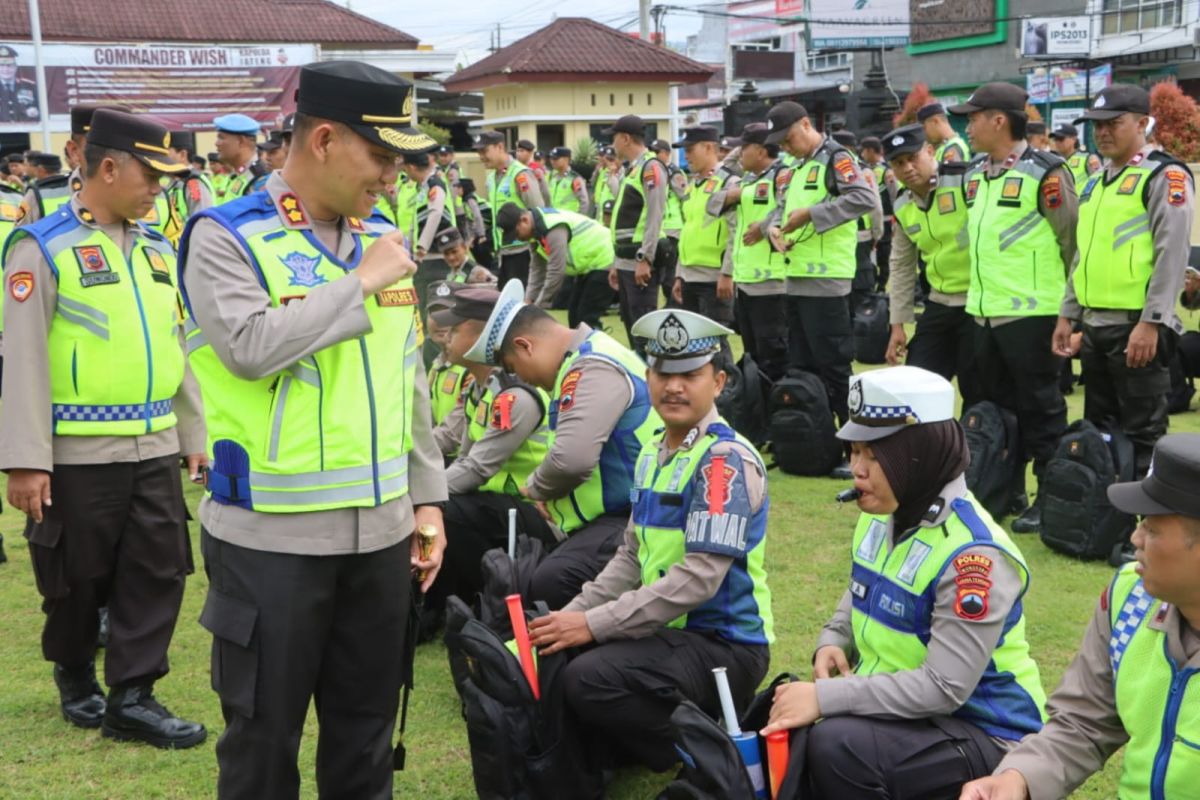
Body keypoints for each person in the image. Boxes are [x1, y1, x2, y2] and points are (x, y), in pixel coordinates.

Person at [179, 61, 448, 798]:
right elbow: (249, 347)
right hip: (272, 540)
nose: (394, 177)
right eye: (382, 156)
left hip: (382, 534)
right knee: (264, 741)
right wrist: (360, 280)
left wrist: (427, 499)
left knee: (364, 737)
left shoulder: (383, 236)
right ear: (324, 138)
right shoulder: (226, 236)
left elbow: (409, 378)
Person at [0, 108, 207, 747]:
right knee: (77, 576)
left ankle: (134, 696)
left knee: (158, 569)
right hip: (76, 452)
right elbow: (24, 356)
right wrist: (27, 458)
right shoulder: (43, 245)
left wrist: (193, 433)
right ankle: (74, 675)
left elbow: (175, 346)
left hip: (153, 445)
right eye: (152, 175)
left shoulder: (154, 247)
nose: (160, 190)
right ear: (109, 167)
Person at [763, 366, 1047, 798]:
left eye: (874, 456)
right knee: (798, 723)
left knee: (838, 744)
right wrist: (834, 637)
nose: (857, 469)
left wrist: (826, 698)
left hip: (990, 733)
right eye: (854, 452)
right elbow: (864, 583)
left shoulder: (974, 557)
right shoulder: (889, 513)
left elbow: (943, 686)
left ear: (920, 453)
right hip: (912, 719)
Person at [529, 308, 772, 772]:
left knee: (590, 676)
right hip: (672, 635)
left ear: (718, 383)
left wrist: (596, 624)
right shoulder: (654, 449)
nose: (673, 386)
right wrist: (575, 614)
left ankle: (708, 751)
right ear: (648, 376)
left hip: (723, 643)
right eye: (663, 372)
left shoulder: (723, 463)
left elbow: (699, 580)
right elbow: (630, 556)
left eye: (690, 375)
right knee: (566, 652)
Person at [960, 432, 1200, 800]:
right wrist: (1019, 777)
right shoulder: (1130, 598)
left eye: (1151, 528)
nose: (1134, 538)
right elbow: (1083, 720)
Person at [466, 281, 661, 608]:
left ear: (525, 345)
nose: (523, 380)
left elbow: (572, 460)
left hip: (633, 515)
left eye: (514, 368)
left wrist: (537, 489)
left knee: (551, 582)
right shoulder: (586, 357)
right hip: (621, 514)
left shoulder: (590, 366)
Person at [949, 82, 1077, 533]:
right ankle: (1005, 488)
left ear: (999, 120)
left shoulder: (1047, 173)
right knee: (991, 408)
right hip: (982, 314)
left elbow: (1071, 244)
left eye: (973, 116)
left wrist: (1068, 310)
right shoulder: (975, 174)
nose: (967, 125)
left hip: (1032, 315)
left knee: (1040, 410)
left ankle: (1050, 493)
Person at [1052, 85, 1194, 477]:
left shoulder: (1166, 175)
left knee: (1144, 434)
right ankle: (1105, 519)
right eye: (1097, 126)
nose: (1103, 133)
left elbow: (1173, 255)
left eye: (1114, 123)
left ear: (1143, 123)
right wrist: (1069, 313)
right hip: (1096, 326)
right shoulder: (1096, 182)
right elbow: (1083, 255)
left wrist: (1152, 321)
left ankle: (1148, 527)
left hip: (1137, 325)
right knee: (1102, 433)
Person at [423, 284, 554, 617]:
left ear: (482, 335)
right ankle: (443, 603)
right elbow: (459, 453)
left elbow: (477, 469)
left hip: (530, 512)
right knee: (440, 506)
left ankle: (450, 604)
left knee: (443, 509)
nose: (445, 335)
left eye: (456, 328)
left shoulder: (514, 396)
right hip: (495, 507)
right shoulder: (479, 388)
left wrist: (422, 494)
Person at [764, 101, 878, 478]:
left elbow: (864, 199)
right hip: (796, 278)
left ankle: (854, 450)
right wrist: (774, 230)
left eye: (789, 138)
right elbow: (782, 212)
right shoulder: (797, 168)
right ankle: (812, 443)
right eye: (780, 143)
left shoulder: (836, 157)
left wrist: (812, 215)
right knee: (800, 364)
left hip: (828, 281)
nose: (786, 147)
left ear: (806, 124)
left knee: (834, 368)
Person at [884, 124, 982, 408]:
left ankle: (976, 446)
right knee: (917, 383)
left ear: (930, 151)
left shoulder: (965, 180)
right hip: (939, 302)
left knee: (977, 387)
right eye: (899, 163)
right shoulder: (903, 204)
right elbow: (901, 266)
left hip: (978, 303)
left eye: (913, 157)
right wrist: (897, 324)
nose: (908, 168)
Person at [719, 122, 790, 383]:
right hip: (747, 281)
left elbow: (787, 208)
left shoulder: (783, 176)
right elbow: (722, 177)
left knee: (773, 356)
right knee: (753, 355)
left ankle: (778, 412)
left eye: (744, 148)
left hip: (771, 284)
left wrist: (762, 227)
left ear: (761, 151)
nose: (738, 153)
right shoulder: (749, 179)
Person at [494, 203, 614, 328]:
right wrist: (528, 300)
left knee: (586, 319)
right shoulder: (535, 233)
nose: (517, 238)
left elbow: (556, 271)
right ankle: (583, 345)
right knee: (574, 317)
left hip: (605, 259)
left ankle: (595, 345)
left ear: (524, 220)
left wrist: (538, 306)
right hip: (588, 267)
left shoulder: (553, 228)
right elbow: (537, 269)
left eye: (516, 233)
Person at [607, 114, 668, 356]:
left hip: (639, 261)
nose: (612, 144)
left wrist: (646, 258)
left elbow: (655, 215)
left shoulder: (650, 168)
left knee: (644, 327)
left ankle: (651, 382)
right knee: (632, 325)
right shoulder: (633, 169)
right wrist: (616, 263)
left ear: (625, 138)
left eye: (614, 138)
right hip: (625, 261)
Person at [671, 125, 739, 329]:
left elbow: (735, 232)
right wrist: (679, 274)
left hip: (714, 277)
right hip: (689, 275)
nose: (686, 156)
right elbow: (688, 231)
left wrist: (727, 273)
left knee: (713, 343)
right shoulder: (694, 185)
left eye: (690, 150)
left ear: (709, 148)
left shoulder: (729, 183)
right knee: (693, 345)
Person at [473, 130, 544, 287]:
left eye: (484, 151)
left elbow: (538, 212)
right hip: (502, 251)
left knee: (520, 302)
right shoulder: (492, 178)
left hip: (523, 251)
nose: (481, 157)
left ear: (500, 147)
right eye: (478, 152)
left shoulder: (520, 174)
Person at [832, 129, 886, 308]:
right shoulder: (863, 171)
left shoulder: (827, 169)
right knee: (862, 283)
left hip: (836, 236)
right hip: (861, 236)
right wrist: (877, 234)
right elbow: (875, 207)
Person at [652, 138, 687, 308]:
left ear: (666, 154)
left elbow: (684, 198)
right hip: (658, 228)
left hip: (673, 229)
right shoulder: (652, 171)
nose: (654, 156)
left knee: (669, 274)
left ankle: (673, 305)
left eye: (657, 152)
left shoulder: (674, 172)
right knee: (658, 273)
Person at [163, 131, 214, 247]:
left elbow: (202, 224)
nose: (162, 158)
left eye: (166, 153)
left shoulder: (193, 181)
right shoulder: (174, 180)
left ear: (182, 154)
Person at [860, 135, 893, 291]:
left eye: (864, 151)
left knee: (883, 257)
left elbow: (894, 195)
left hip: (886, 220)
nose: (862, 155)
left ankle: (882, 286)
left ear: (871, 151)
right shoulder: (864, 169)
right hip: (870, 222)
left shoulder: (886, 171)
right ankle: (873, 283)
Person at [210, 113, 267, 204]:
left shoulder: (260, 179)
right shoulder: (237, 175)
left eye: (221, 137)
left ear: (240, 141)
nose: (216, 143)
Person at [1048, 123, 1101, 191]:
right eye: (1055, 139)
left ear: (1074, 139)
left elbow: (1099, 183)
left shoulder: (1088, 159)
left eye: (1061, 139)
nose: (1057, 142)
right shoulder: (1054, 161)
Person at [0, 45, 38, 123]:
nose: (6, 69)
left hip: (22, 131)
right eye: (1, 66)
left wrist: (35, 113)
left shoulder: (30, 86)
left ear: (16, 67)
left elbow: (43, 111)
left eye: (9, 66)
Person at [547, 146, 590, 215]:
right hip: (553, 219)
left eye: (556, 159)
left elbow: (584, 202)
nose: (552, 161)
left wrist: (578, 219)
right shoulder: (552, 176)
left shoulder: (574, 179)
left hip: (569, 220)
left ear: (566, 159)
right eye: (551, 158)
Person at [591, 145, 622, 222]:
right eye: (607, 159)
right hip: (601, 210)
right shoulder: (605, 171)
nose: (609, 162)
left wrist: (613, 176)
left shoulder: (624, 175)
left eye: (612, 159)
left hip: (613, 214)